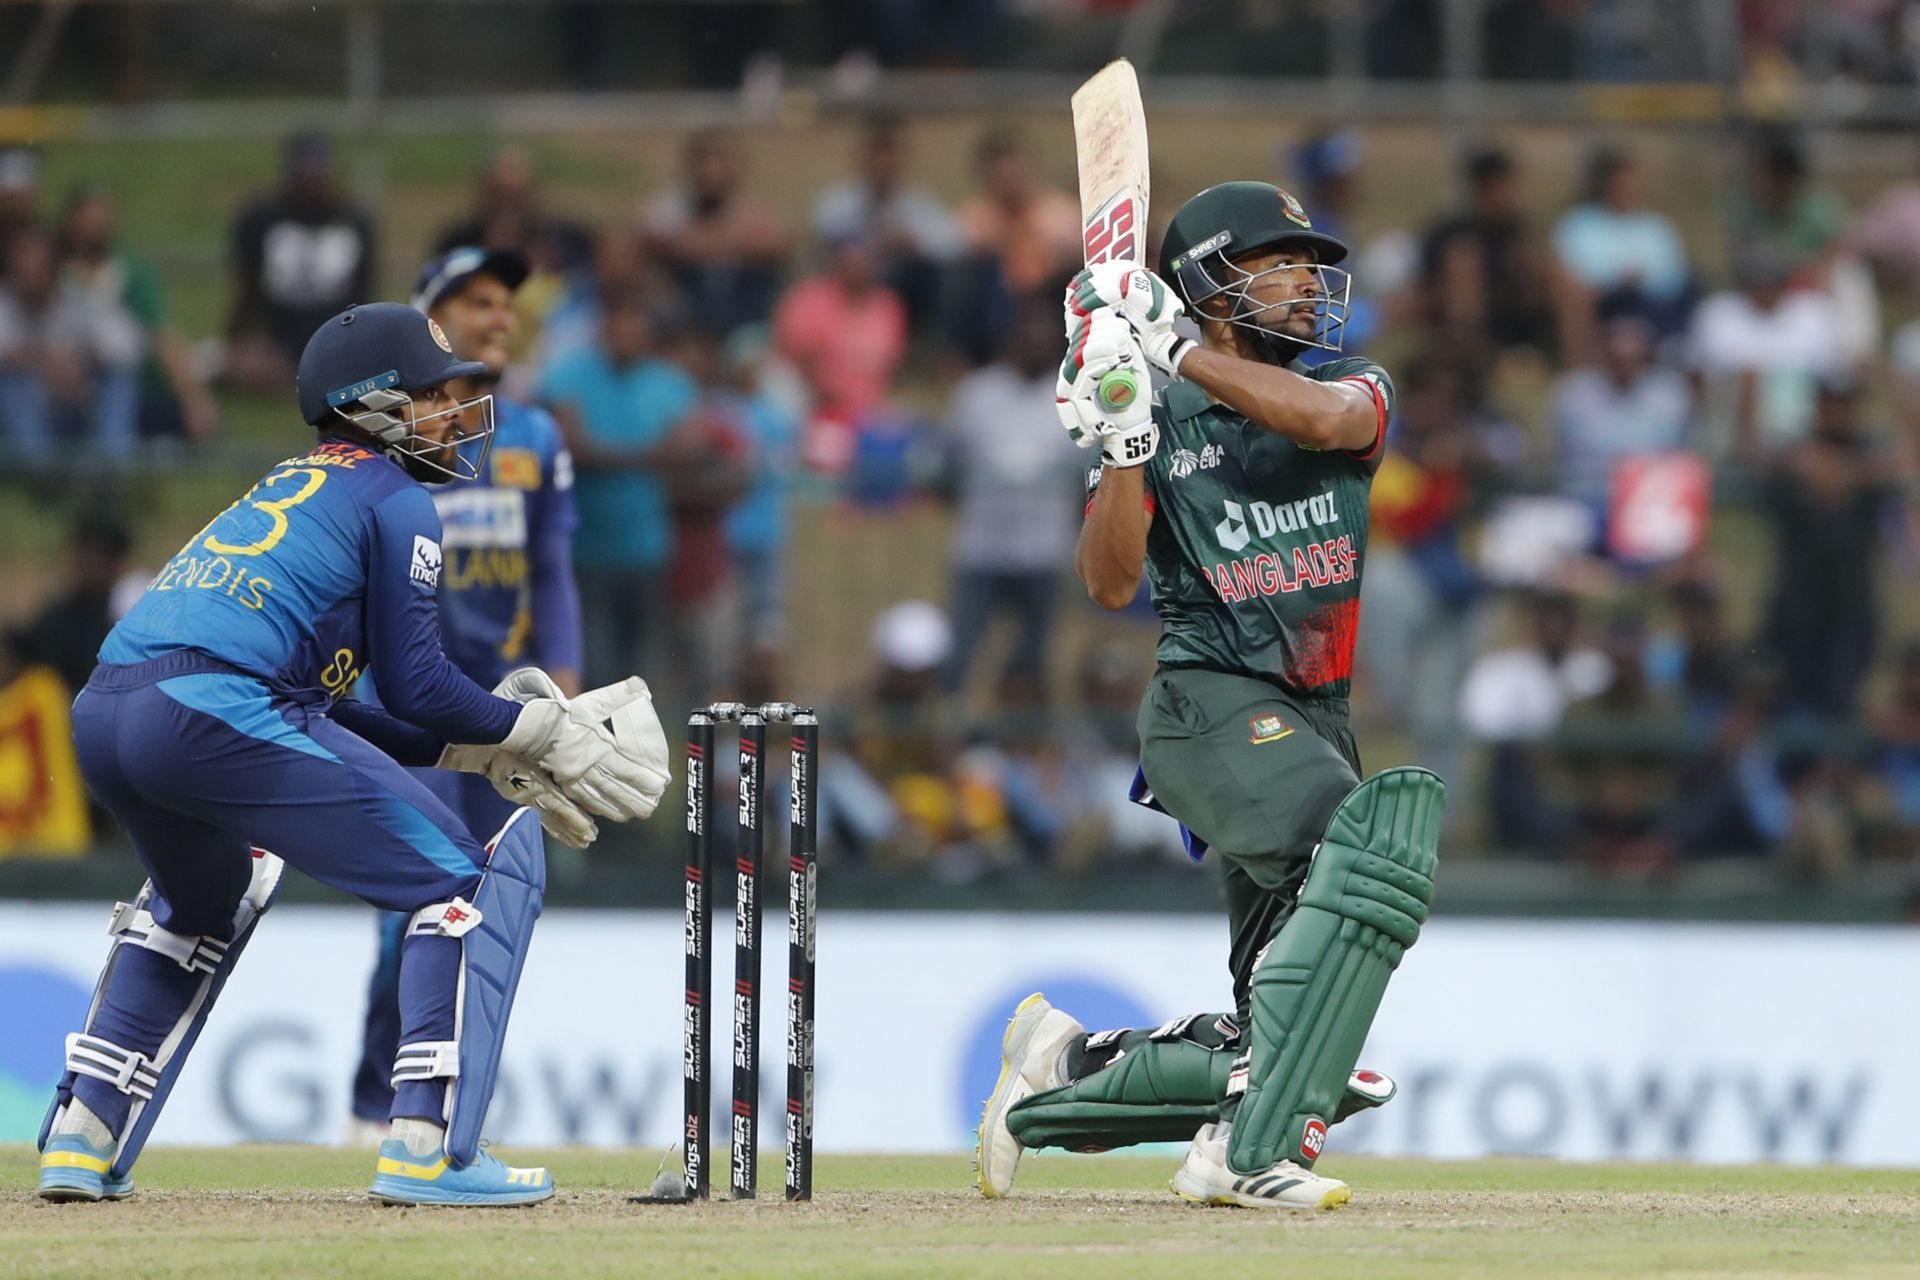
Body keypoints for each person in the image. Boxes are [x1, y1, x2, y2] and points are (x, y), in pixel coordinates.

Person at [34, 302, 668, 1207]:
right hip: (216, 708)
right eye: (436, 399)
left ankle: (80, 1137)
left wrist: (481, 751)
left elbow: (321, 706)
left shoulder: (289, 485)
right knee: (461, 882)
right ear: (375, 404)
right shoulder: (395, 497)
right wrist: (533, 729)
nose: (455, 418)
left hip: (108, 707)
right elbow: (412, 686)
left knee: (200, 899)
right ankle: (427, 1148)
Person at [975, 182, 1441, 1210]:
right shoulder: (1160, 404)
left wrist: (1174, 352)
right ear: (1213, 285)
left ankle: (1055, 1069)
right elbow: (1106, 581)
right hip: (1209, 704)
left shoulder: (1354, 386)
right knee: (1376, 843)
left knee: (1294, 1043)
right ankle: (1239, 1158)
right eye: (1278, 262)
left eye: (1310, 263)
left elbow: (1322, 417)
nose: (1307, 283)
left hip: (1311, 720)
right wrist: (1126, 438)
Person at [345, 247, 585, 1140]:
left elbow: (554, 569)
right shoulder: (394, 435)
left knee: (493, 900)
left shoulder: (535, 438)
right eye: (475, 301)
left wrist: (562, 686)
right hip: (404, 698)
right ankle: (379, 1103)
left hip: (501, 702)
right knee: (418, 898)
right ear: (428, 318)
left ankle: (448, 1100)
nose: (498, 317)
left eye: (506, 304)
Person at [59, 185, 220, 441]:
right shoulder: (57, 276)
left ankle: (113, 463)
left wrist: (194, 400)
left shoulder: (131, 274)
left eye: (103, 218)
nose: (96, 227)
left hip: (134, 385)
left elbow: (165, 337)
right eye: (89, 219)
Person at [223, 133, 378, 392]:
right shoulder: (261, 219)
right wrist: (235, 344)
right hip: (279, 341)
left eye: (317, 176)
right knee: (236, 365)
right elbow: (248, 290)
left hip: (337, 339)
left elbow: (364, 295)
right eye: (304, 176)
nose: (310, 185)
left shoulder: (354, 222)